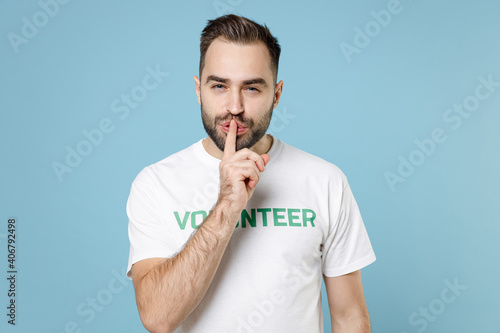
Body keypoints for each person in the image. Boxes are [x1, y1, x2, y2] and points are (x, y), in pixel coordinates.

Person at [126, 14, 376, 333]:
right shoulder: (156, 184)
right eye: (219, 86)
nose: (235, 106)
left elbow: (350, 316)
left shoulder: (325, 181)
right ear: (198, 90)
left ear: (277, 94)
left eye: (252, 88)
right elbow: (158, 317)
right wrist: (228, 205)